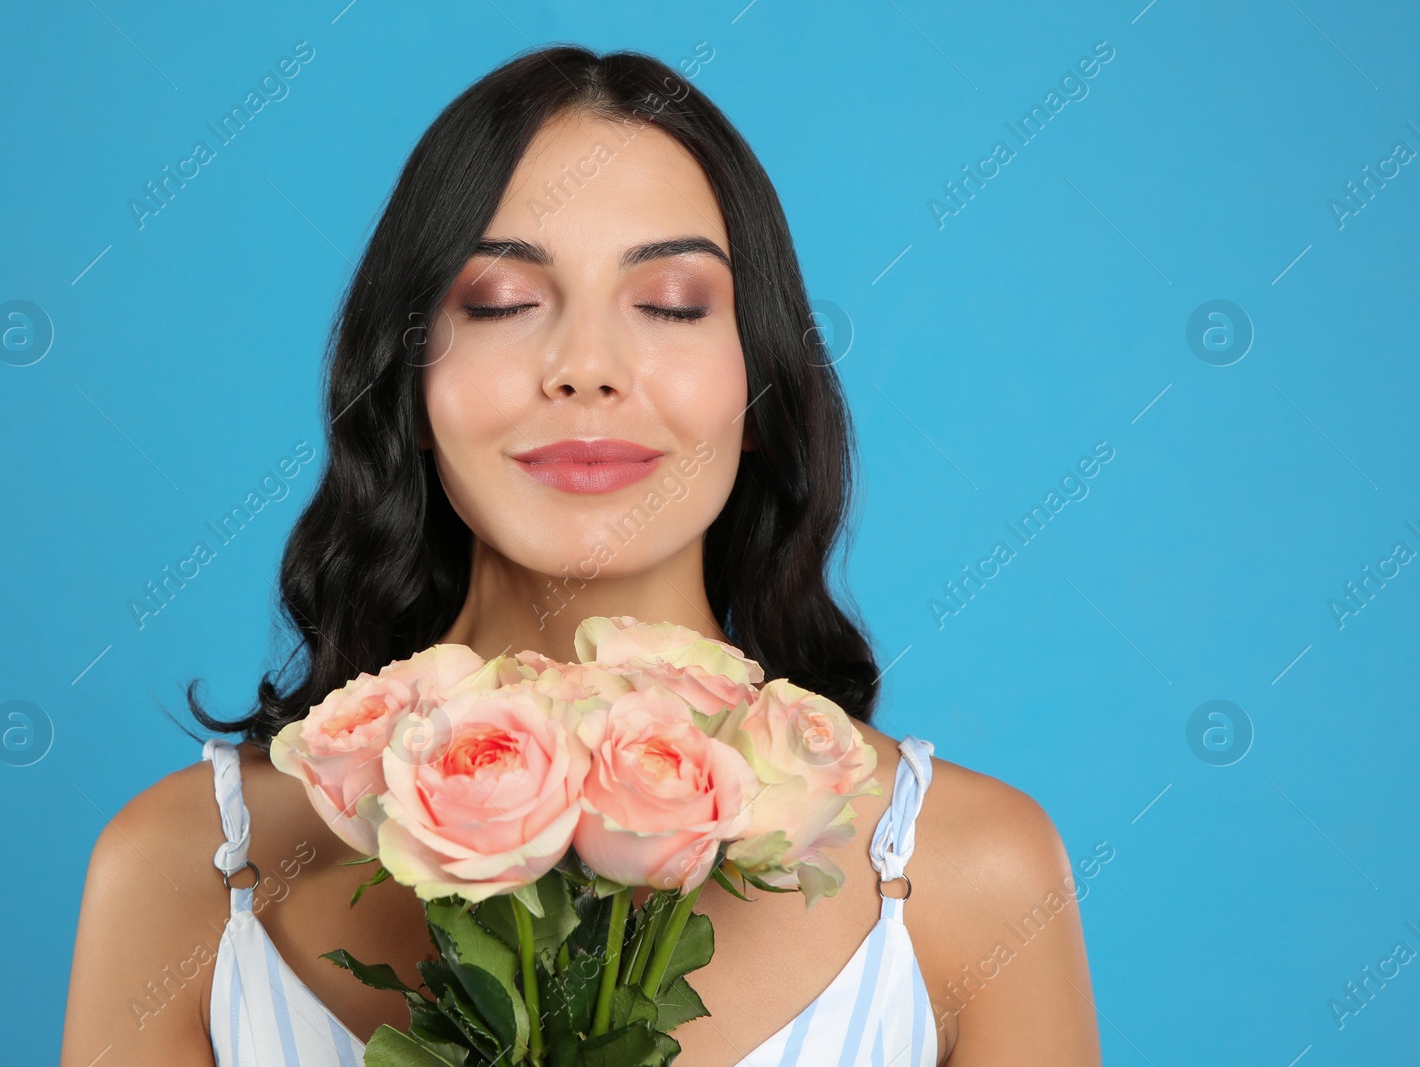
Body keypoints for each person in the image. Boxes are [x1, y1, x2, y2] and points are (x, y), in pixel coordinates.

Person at [61, 44, 1099, 1066]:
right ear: (409, 383)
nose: (586, 368)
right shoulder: (184, 867)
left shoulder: (971, 873)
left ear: (757, 385)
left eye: (672, 304)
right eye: (503, 303)